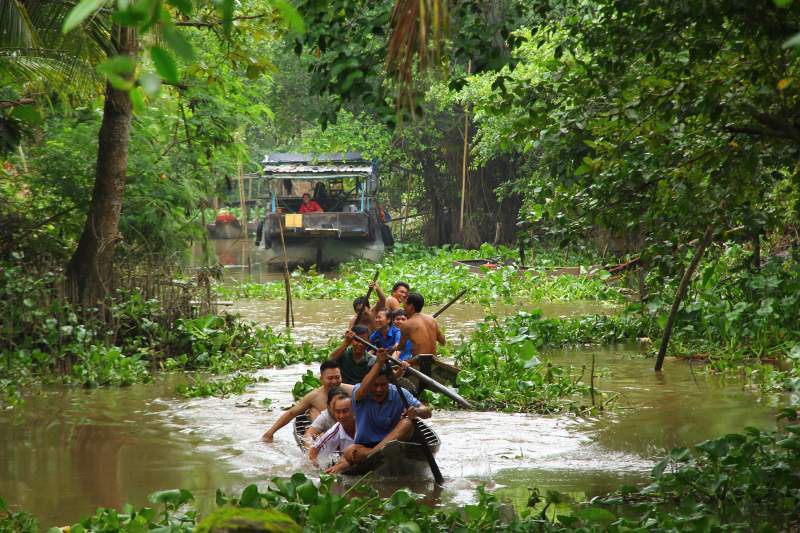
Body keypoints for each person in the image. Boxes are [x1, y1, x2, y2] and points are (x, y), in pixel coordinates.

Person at [341, 350, 432, 466]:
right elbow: (363, 389)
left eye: (383, 385)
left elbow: (427, 412)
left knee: (408, 422)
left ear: (389, 382)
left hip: (394, 444)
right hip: (366, 446)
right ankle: (373, 454)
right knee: (350, 452)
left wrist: (417, 411)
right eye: (375, 385)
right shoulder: (360, 392)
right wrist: (379, 362)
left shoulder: (398, 391)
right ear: (369, 383)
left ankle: (373, 454)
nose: (379, 390)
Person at [261, 360, 351, 442]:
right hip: (329, 431)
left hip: (350, 429)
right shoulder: (314, 396)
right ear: (321, 379)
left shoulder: (351, 390)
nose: (334, 381)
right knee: (313, 410)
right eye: (330, 378)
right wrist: (270, 432)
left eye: (337, 377)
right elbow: (291, 413)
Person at [309, 390, 357, 471]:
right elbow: (314, 451)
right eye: (338, 412)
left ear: (354, 410)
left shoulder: (364, 423)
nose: (341, 416)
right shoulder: (333, 432)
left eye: (345, 411)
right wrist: (318, 469)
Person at [396, 292, 446, 357]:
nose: (403, 307)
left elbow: (401, 347)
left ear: (410, 306)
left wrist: (390, 349)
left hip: (419, 363)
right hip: (434, 361)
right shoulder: (432, 319)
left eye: (404, 304)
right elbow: (443, 342)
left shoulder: (406, 324)